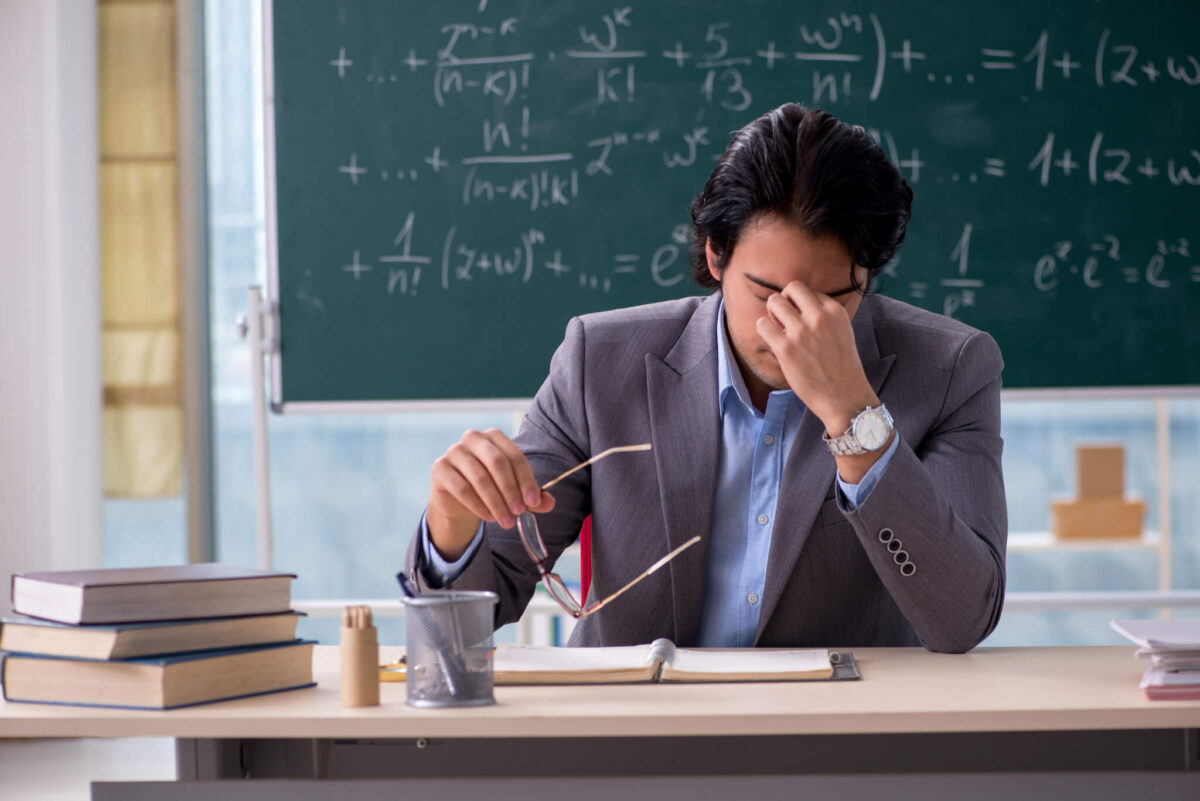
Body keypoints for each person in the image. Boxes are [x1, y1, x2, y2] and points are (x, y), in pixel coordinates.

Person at [403, 103, 1007, 653]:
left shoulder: (951, 369)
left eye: (831, 299)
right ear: (716, 256)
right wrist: (451, 529)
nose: (789, 326)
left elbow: (961, 621)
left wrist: (853, 416)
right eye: (766, 292)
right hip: (634, 739)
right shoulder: (599, 361)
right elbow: (463, 621)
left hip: (832, 744)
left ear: (868, 277)